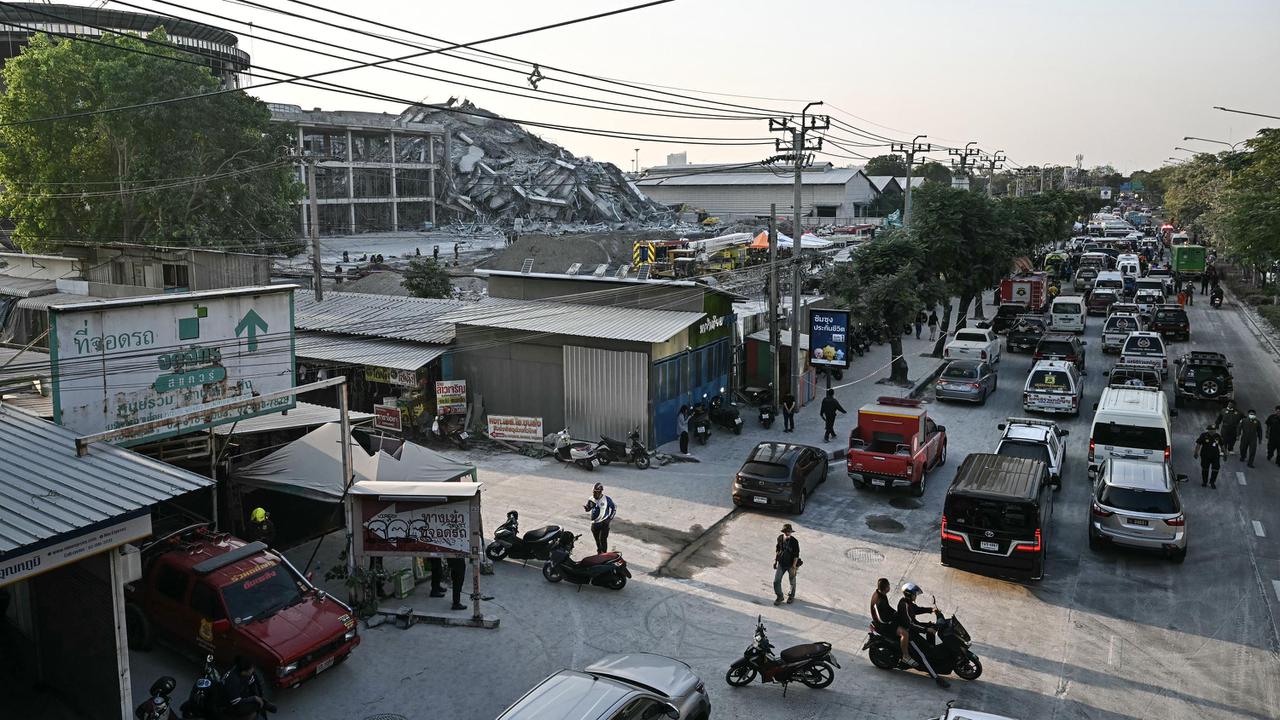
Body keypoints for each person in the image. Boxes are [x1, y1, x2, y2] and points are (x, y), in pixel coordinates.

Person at [895, 583, 937, 676]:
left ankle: (932, 654)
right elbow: (911, 624)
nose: (916, 596)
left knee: (932, 628)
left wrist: (931, 610)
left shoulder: (908, 603)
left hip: (913, 628)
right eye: (915, 594)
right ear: (910, 595)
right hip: (910, 633)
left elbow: (917, 610)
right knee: (922, 655)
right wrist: (926, 629)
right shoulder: (904, 605)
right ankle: (935, 676)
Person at [772, 524, 800, 605]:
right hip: (781, 563)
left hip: (791, 564)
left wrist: (794, 566)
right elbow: (778, 550)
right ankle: (780, 596)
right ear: (783, 531)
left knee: (792, 581)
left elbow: (796, 555)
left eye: (789, 531)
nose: (788, 533)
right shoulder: (780, 538)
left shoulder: (794, 541)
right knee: (776, 581)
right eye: (786, 531)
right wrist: (776, 561)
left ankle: (791, 596)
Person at [584, 483, 616, 554]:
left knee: (603, 540)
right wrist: (587, 508)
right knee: (597, 540)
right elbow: (588, 507)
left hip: (604, 524)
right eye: (593, 492)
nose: (594, 494)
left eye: (596, 492)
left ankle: (604, 554)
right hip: (594, 524)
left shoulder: (607, 499)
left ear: (600, 492)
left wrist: (609, 519)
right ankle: (599, 552)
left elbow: (614, 508)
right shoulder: (591, 498)